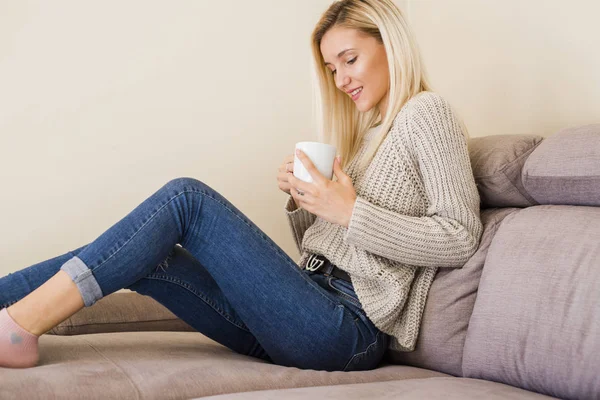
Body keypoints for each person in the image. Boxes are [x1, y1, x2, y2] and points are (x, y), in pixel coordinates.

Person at [0, 0, 483, 371]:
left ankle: (18, 327)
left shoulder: (426, 113)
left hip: (348, 329)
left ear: (389, 44)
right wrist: (306, 204)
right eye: (332, 69)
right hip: (307, 303)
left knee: (187, 200)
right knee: (148, 250)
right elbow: (335, 247)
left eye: (349, 59)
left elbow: (461, 236)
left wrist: (347, 211)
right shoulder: (371, 133)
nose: (340, 80)